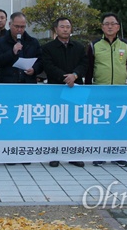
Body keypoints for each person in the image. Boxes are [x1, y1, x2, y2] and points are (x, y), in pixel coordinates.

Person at [85, 12, 127, 168]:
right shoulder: (94, 46)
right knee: (101, 124)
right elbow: (89, 69)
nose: (110, 26)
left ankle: (119, 154)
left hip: (121, 91)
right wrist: (89, 90)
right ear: (102, 27)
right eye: (106, 23)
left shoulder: (126, 45)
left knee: (120, 123)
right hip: (100, 90)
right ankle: (99, 154)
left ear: (118, 27)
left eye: (113, 23)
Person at [41, 17, 88, 168]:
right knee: (56, 123)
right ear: (56, 29)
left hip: (76, 88)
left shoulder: (79, 47)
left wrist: (74, 75)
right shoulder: (48, 47)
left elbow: (84, 64)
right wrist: (66, 78)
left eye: (68, 26)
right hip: (56, 88)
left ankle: (74, 155)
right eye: (62, 27)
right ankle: (54, 155)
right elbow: (48, 66)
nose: (65, 29)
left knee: (75, 123)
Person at [0, 12, 42, 83]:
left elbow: (41, 61)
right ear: (9, 24)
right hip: (8, 84)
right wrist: (12, 52)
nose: (19, 30)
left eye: (22, 27)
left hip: (28, 83)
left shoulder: (33, 42)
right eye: (16, 26)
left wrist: (34, 69)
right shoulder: (0, 42)